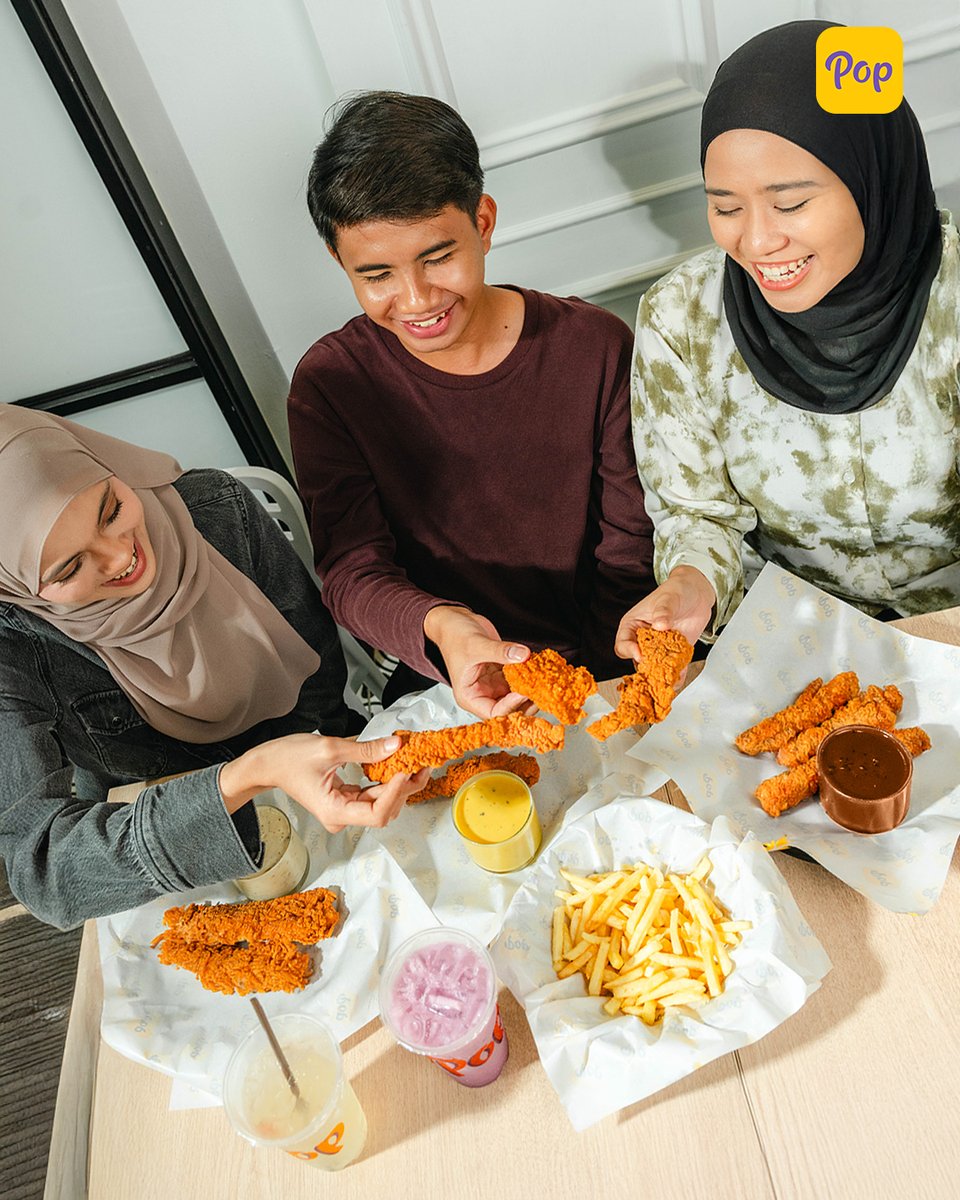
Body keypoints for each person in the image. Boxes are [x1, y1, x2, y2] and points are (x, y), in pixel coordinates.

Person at [288, 91, 655, 718]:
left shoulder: (593, 346)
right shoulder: (332, 384)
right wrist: (443, 626)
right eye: (376, 276)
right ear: (339, 259)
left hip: (608, 656)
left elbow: (629, 545)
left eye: (438, 258)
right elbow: (352, 573)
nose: (415, 300)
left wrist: (587, 687)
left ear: (482, 222)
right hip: (445, 676)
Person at [0, 408, 427, 929]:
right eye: (69, 568)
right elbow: (44, 871)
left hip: (316, 773)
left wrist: (326, 762)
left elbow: (317, 675)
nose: (119, 557)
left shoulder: (218, 512)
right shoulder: (13, 647)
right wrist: (245, 778)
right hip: (148, 853)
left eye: (111, 510)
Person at [616, 19, 959, 659]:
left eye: (791, 203)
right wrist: (688, 586)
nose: (756, 240)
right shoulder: (680, 319)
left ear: (874, 179)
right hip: (788, 648)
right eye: (726, 207)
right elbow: (698, 516)